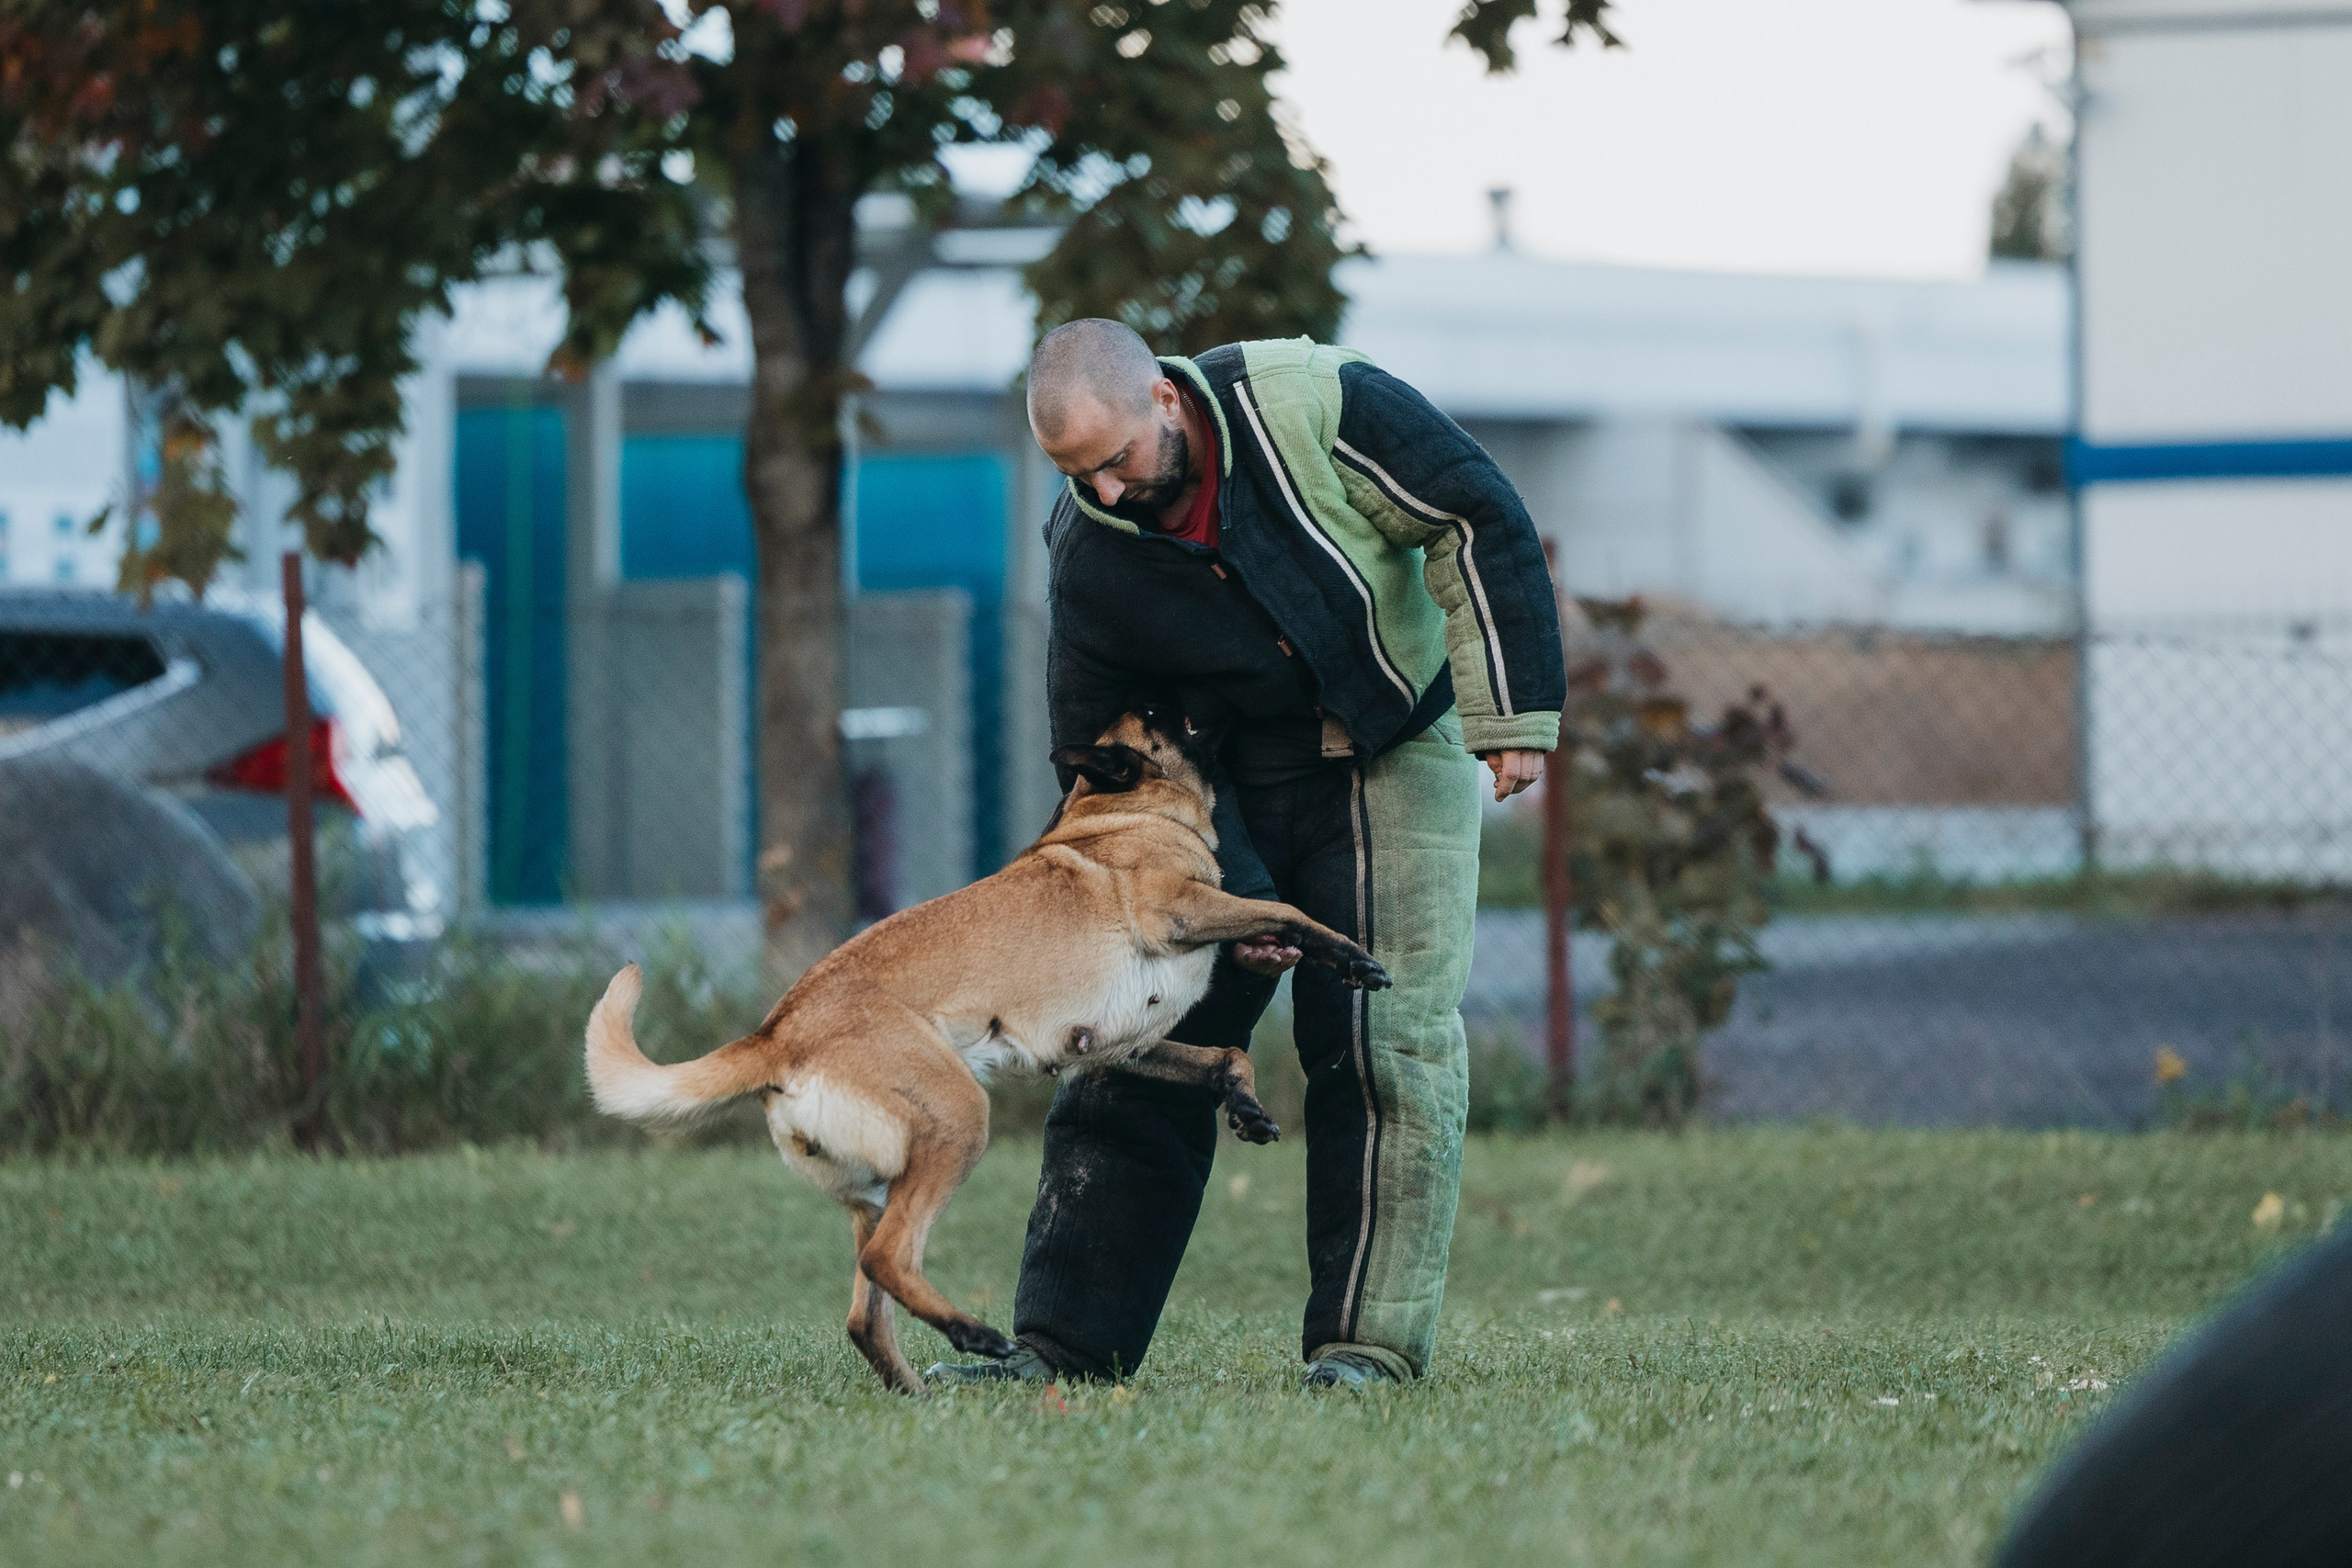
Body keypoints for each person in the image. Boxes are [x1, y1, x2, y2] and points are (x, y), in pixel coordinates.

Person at [931, 321, 1565, 1390]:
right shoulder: (1092, 552)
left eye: (1117, 459)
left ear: (1164, 403)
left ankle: (1365, 1351)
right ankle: (1059, 1349)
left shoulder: (1309, 404)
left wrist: (1509, 714)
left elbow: (1470, 512)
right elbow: (1098, 763)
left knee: (1381, 1038)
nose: (1109, 491)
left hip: (1390, 743)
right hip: (1212, 795)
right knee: (1133, 1042)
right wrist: (1239, 906)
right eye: (1078, 475)